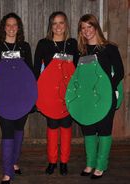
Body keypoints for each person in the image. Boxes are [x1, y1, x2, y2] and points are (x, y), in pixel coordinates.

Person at [76, 14, 124, 179]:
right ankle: (90, 163)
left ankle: (101, 165)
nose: (87, 31)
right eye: (83, 28)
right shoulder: (81, 51)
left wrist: (105, 89)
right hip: (86, 99)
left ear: (96, 27)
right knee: (88, 129)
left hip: (105, 97)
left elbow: (119, 72)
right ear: (80, 31)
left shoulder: (109, 48)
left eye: (89, 26)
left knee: (104, 130)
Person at [0, 13, 33, 184]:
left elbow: (30, 72)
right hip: (3, 98)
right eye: (8, 25)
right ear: (3, 28)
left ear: (19, 27)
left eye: (15, 25)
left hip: (22, 97)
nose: (12, 28)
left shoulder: (25, 47)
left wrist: (31, 97)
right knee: (7, 132)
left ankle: (14, 162)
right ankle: (7, 172)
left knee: (18, 130)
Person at [34, 11, 79, 176]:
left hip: (68, 94)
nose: (58, 26)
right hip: (49, 95)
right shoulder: (43, 43)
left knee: (66, 127)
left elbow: (79, 69)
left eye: (61, 23)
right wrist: (37, 96)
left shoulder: (73, 43)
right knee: (52, 126)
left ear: (66, 25)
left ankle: (64, 162)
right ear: (50, 26)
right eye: (55, 23)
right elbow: (36, 71)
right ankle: (52, 161)